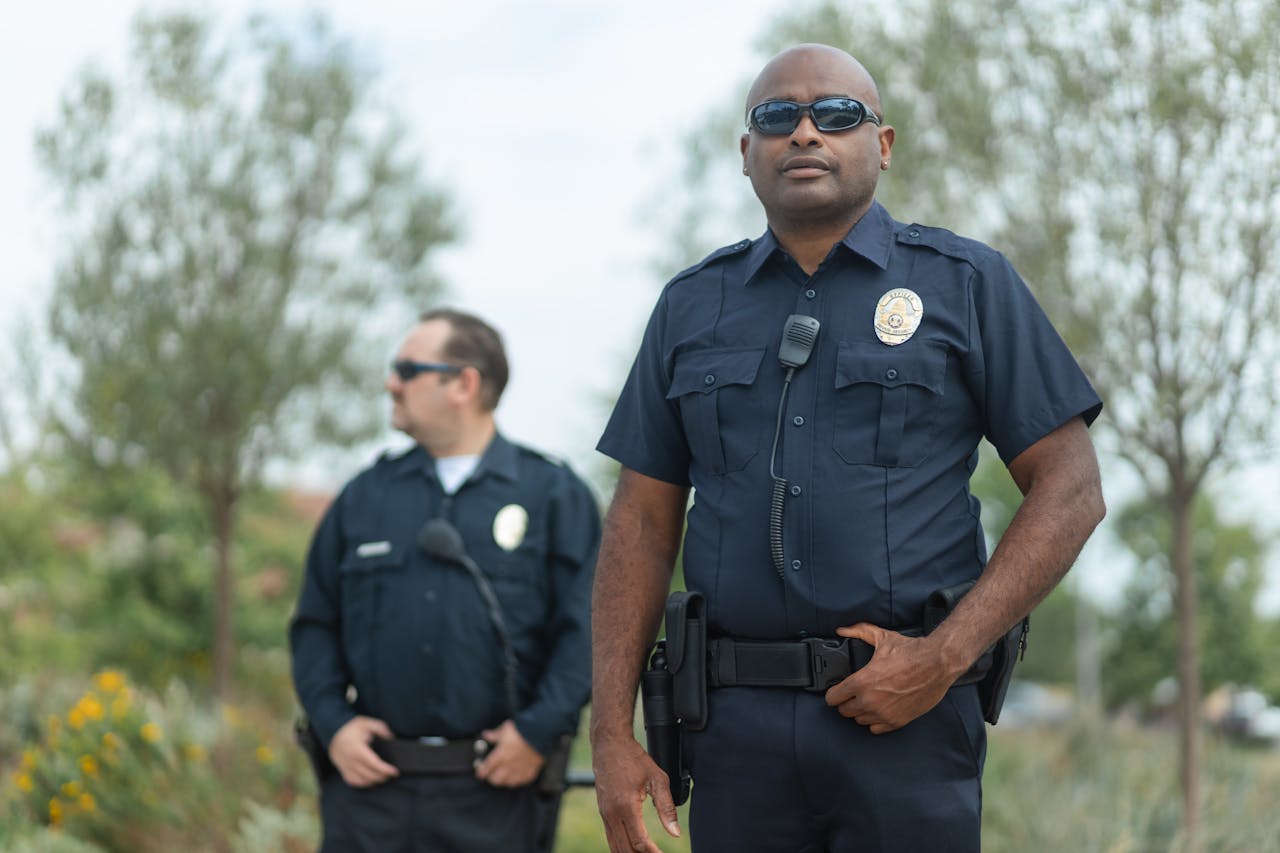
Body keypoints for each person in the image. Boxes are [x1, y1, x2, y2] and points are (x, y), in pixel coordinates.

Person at [590, 44, 1106, 853]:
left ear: (884, 144)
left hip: (906, 722)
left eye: (835, 115)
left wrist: (944, 657)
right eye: (776, 118)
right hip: (733, 731)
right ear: (745, 152)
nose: (804, 133)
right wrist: (610, 735)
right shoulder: (692, 306)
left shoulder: (966, 284)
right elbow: (642, 524)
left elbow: (1071, 486)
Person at [290, 308, 600, 852]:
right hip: (371, 798)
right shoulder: (365, 496)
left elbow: (590, 631)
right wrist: (334, 724)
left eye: (407, 369)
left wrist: (536, 732)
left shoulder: (553, 496)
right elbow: (315, 623)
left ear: (463, 383)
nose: (391, 383)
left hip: (497, 799)